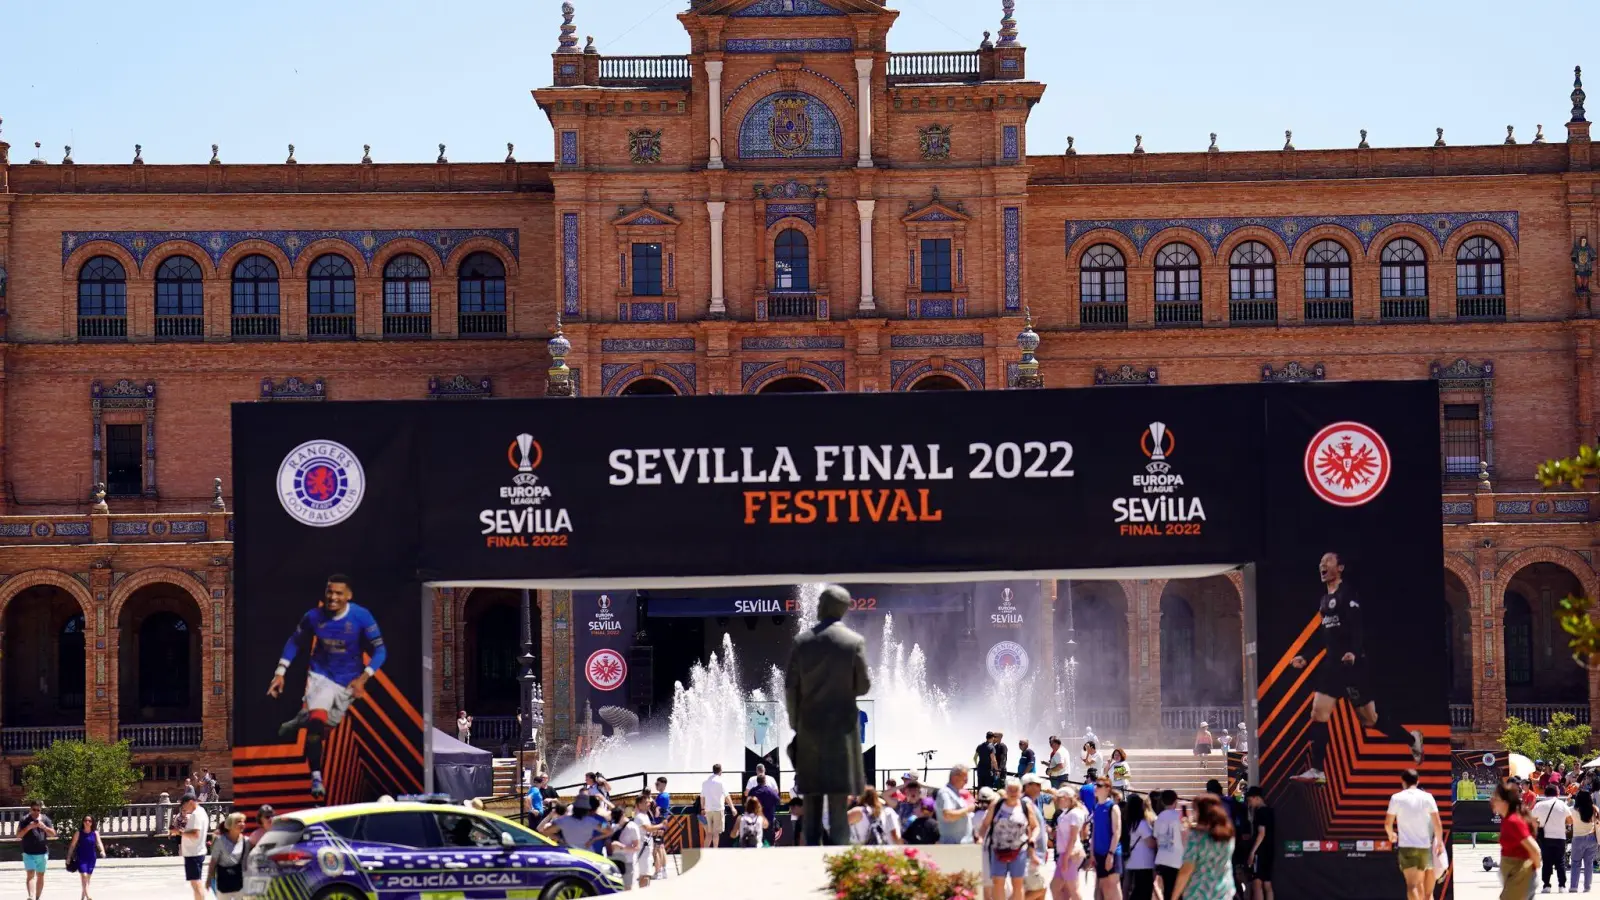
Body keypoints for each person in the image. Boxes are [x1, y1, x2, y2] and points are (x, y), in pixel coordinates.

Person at [1289, 552, 1424, 784]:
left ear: (1339, 568)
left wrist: (1353, 651)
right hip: (1332, 666)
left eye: (1327, 562)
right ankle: (1318, 771)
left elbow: (1357, 627)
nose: (1322, 565)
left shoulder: (1347, 595)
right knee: (1318, 713)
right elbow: (1325, 637)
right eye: (1320, 563)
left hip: (1353, 666)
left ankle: (1412, 739)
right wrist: (1307, 656)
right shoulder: (1324, 601)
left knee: (1370, 720)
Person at [267, 574, 386, 799]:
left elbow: (381, 650)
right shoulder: (313, 616)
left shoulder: (361, 616)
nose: (332, 597)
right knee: (317, 722)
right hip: (320, 674)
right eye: (329, 592)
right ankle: (316, 776)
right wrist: (280, 672)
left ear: (348, 596)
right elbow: (295, 641)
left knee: (325, 728)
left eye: (338, 593)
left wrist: (363, 678)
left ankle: (299, 720)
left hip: (348, 681)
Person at [784, 584, 872, 847]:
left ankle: (811, 856)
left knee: (811, 797)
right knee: (838, 798)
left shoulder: (803, 642)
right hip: (842, 730)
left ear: (827, 606)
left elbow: (791, 687)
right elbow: (864, 685)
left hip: (810, 727)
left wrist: (795, 722)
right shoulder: (854, 642)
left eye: (821, 601)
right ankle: (839, 858)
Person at [1385, 769, 1444, 900]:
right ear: (1418, 781)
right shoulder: (1427, 797)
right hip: (1424, 848)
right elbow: (1438, 824)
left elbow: (1388, 823)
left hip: (1407, 847)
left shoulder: (1397, 798)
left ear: (1403, 782)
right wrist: (1439, 843)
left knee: (1412, 885)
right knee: (1419, 885)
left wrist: (1391, 835)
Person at [978, 777, 1041, 900]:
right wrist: (980, 837)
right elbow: (985, 824)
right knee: (997, 881)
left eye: (1015, 790)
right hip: (997, 849)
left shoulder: (1025, 806)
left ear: (1020, 791)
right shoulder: (997, 805)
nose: (1012, 793)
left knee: (1017, 883)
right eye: (1010, 790)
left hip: (1019, 850)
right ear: (1006, 790)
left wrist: (1032, 838)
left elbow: (1035, 827)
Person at [1172, 795, 1235, 900]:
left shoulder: (1196, 837)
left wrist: (1174, 897)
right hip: (1223, 891)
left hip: (1199, 891)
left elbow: (1187, 869)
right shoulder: (1228, 834)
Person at [1494, 781, 1542, 900]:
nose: (1492, 802)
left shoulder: (1513, 821)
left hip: (1521, 876)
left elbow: (1535, 850)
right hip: (1516, 875)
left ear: (1505, 802)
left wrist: (1531, 870)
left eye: (1495, 799)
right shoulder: (1507, 820)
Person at [1532, 784, 1573, 893]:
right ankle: (1562, 885)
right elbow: (1570, 821)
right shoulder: (1562, 805)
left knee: (1546, 861)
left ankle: (1546, 885)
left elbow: (1532, 820)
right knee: (1560, 861)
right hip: (1560, 836)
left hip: (1545, 837)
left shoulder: (1539, 805)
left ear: (1545, 793)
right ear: (1557, 793)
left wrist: (1540, 823)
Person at [168, 794, 209, 900]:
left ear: (190, 802)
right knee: (196, 883)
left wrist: (178, 832)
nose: (183, 808)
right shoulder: (201, 812)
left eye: (183, 805)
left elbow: (195, 834)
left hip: (193, 853)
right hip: (196, 852)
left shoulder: (196, 814)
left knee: (196, 883)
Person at [1090, 778, 1124, 900]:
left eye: (1099, 785)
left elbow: (1117, 832)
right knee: (1104, 886)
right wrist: (1092, 852)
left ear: (1107, 789)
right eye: (1095, 785)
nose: (1096, 788)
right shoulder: (1096, 807)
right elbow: (1094, 831)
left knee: (1113, 885)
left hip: (1112, 852)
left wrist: (1110, 854)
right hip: (1099, 853)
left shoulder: (1113, 807)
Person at [1053, 788, 1089, 900]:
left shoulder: (1075, 813)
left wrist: (1065, 858)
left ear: (1067, 798)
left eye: (1059, 798)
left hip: (1070, 854)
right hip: (1065, 853)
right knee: (1056, 887)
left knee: (1072, 889)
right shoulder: (1066, 812)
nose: (1057, 801)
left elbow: (1072, 838)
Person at [206, 812, 249, 900]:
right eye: (238, 822)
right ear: (230, 824)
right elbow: (213, 861)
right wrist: (209, 878)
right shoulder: (220, 840)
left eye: (243, 821)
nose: (242, 824)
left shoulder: (246, 841)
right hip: (224, 881)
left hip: (241, 882)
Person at [1242, 787, 1275, 900]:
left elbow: (1261, 833)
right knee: (1267, 883)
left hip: (1260, 852)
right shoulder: (1270, 811)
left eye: (1250, 800)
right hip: (1269, 850)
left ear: (1256, 798)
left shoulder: (1261, 812)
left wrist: (1252, 852)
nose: (1249, 803)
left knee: (1257, 883)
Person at [20, 799, 56, 900]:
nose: (36, 812)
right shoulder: (25, 820)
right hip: (28, 852)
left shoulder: (45, 819)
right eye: (34, 809)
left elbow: (53, 834)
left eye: (38, 810)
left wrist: (44, 827)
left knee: (40, 875)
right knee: (30, 873)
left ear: (40, 810)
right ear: (30, 809)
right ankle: (31, 896)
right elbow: (18, 835)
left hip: (42, 852)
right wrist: (29, 827)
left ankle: (37, 897)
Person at [1153, 789, 1186, 900]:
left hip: (1163, 857)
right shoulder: (1178, 816)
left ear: (1162, 802)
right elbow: (1184, 837)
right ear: (1175, 801)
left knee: (1167, 889)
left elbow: (1157, 839)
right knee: (1179, 889)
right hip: (1177, 857)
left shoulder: (1158, 818)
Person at [1124, 792, 1157, 900]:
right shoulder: (1142, 824)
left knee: (1138, 889)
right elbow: (1150, 843)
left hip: (1135, 861)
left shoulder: (1131, 822)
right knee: (1143, 891)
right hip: (1144, 862)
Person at [938, 763, 977, 844]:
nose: (966, 782)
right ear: (955, 778)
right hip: (953, 845)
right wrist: (968, 809)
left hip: (961, 844)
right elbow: (948, 815)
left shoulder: (955, 793)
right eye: (965, 778)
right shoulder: (945, 793)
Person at [65, 814, 101, 900]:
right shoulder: (78, 833)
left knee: (87, 878)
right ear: (83, 822)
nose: (87, 822)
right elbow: (72, 846)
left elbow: (99, 843)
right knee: (84, 876)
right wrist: (69, 857)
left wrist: (102, 851)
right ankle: (88, 896)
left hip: (91, 858)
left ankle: (82, 898)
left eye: (89, 821)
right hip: (81, 857)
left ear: (92, 823)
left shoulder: (95, 833)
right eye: (85, 820)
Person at [700, 764, 733, 848]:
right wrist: (732, 808)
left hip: (708, 810)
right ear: (720, 771)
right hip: (718, 809)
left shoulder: (705, 782)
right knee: (715, 833)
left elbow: (702, 797)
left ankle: (705, 852)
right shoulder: (721, 782)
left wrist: (702, 808)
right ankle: (715, 851)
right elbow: (727, 796)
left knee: (709, 834)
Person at [1573, 789, 1597, 893]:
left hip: (1578, 838)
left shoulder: (1572, 810)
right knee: (1589, 863)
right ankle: (1587, 887)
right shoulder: (1594, 809)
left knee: (1575, 863)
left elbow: (1567, 822)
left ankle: (1574, 886)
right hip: (1592, 838)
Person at [749, 773, 781, 846]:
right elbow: (778, 801)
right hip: (769, 819)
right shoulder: (770, 791)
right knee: (770, 842)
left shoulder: (752, 791)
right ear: (765, 781)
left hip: (755, 820)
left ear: (757, 781)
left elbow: (748, 804)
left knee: (756, 842)